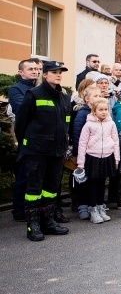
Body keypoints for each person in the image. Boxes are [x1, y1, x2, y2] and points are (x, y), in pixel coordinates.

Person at [14, 60, 71, 241]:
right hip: (37, 151)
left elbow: (65, 124)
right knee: (34, 189)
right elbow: (21, 123)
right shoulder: (34, 94)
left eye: (60, 71)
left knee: (51, 189)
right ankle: (34, 225)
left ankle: (48, 222)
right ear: (45, 74)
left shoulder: (64, 97)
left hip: (56, 151)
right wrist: (27, 144)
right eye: (54, 71)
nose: (58, 74)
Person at [8, 58, 42, 222]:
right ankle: (19, 210)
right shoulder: (16, 89)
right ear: (21, 72)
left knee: (39, 176)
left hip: (42, 138)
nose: (35, 71)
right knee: (24, 174)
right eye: (31, 69)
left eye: (36, 69)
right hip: (27, 138)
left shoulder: (41, 88)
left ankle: (37, 208)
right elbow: (21, 109)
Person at [76, 100, 119, 223]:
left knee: (102, 183)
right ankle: (93, 208)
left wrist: (116, 159)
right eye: (101, 110)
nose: (104, 112)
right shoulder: (88, 125)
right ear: (94, 111)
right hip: (92, 157)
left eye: (106, 109)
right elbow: (82, 144)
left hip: (107, 156)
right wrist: (80, 163)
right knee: (93, 184)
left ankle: (101, 207)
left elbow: (115, 141)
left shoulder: (111, 124)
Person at [72, 85, 103, 219]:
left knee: (97, 180)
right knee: (84, 181)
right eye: (95, 96)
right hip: (86, 153)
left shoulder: (102, 112)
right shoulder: (83, 113)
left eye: (100, 95)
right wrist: (78, 153)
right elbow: (77, 133)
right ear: (87, 99)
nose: (98, 98)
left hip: (99, 153)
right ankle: (82, 205)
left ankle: (96, 204)